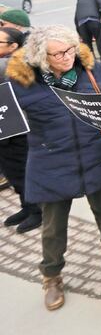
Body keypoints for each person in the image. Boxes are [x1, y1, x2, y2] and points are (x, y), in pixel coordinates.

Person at [7, 26, 101, 311]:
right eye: (58, 54)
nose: (66, 57)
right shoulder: (23, 81)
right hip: (51, 159)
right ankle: (51, 275)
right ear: (42, 56)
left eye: (69, 50)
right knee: (53, 223)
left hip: (93, 152)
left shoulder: (89, 69)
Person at [0, 27, 41, 233]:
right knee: (11, 171)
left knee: (23, 170)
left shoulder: (12, 63)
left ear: (13, 46)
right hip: (4, 126)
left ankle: (37, 211)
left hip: (18, 127)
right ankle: (26, 206)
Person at [74, 0, 101, 67]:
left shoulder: (79, 2)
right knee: (99, 40)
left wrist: (79, 33)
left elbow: (75, 18)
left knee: (87, 44)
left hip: (81, 24)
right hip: (93, 20)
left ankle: (92, 63)